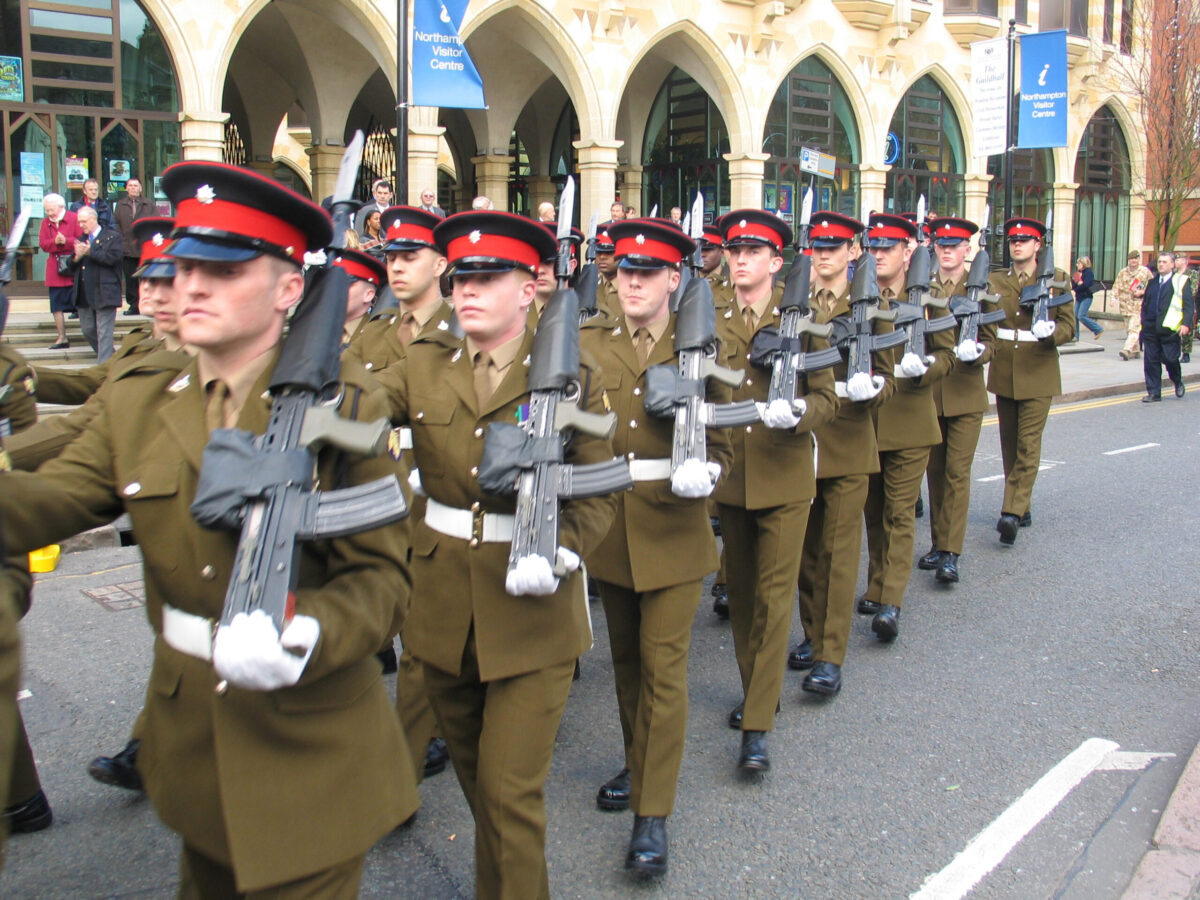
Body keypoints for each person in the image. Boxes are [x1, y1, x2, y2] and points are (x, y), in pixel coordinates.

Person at [0, 161, 419, 896]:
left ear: (290, 287)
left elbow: (384, 581)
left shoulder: (347, 407)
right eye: (183, 264)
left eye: (222, 271)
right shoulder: (142, 401)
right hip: (191, 746)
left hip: (310, 745)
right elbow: (45, 502)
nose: (190, 285)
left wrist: (307, 628)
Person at [372, 210, 617, 899]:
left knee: (510, 795)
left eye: (488, 276)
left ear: (528, 287)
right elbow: (359, 405)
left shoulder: (572, 372)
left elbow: (597, 490)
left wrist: (563, 551)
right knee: (485, 791)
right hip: (443, 608)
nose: (468, 289)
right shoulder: (425, 360)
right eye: (460, 277)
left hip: (532, 609)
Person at [580, 218, 730, 875]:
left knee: (664, 670)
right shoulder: (588, 341)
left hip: (674, 526)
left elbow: (723, 438)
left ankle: (653, 813)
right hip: (611, 524)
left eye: (647, 272)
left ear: (675, 277)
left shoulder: (699, 344)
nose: (631, 282)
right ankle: (639, 762)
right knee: (627, 666)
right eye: (623, 271)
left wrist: (707, 472)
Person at [714, 209, 837, 770]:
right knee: (741, 597)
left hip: (785, 474)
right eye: (734, 251)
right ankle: (756, 688)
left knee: (773, 597)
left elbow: (829, 398)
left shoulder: (803, 317)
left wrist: (801, 412)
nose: (740, 260)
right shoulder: (708, 314)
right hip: (730, 476)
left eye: (752, 252)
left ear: (774, 261)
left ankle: (758, 722)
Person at [343, 205, 453, 784]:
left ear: (441, 262)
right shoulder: (376, 330)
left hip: (439, 494)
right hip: (380, 494)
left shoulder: (463, 328)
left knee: (423, 640)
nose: (398, 267)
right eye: (391, 257)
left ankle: (406, 761)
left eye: (411, 257)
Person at [791, 211, 894, 696]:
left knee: (838, 552)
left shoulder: (870, 303)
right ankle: (813, 633)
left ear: (854, 251)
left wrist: (872, 386)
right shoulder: (793, 302)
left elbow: (893, 374)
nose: (825, 253)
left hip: (850, 441)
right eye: (818, 244)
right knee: (806, 552)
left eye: (835, 246)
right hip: (803, 440)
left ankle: (831, 654)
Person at [856, 213, 953, 642]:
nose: (878, 255)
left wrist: (924, 368)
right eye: (873, 247)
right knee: (873, 513)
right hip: (867, 422)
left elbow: (950, 355)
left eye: (887, 248)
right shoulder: (857, 295)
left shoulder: (929, 299)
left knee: (899, 513)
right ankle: (877, 584)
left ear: (907, 251)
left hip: (911, 422)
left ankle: (891, 599)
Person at [987, 217, 1074, 544]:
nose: (1017, 244)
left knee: (1028, 444)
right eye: (1013, 240)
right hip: (1005, 369)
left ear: (1038, 244)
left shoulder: (1056, 279)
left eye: (1025, 240)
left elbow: (1069, 326)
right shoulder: (996, 279)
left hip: (1039, 370)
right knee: (1009, 445)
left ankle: (1010, 511)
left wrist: (1051, 333)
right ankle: (1022, 503)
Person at [920, 216, 996, 584]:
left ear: (968, 250)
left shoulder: (980, 286)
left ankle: (951, 551)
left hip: (966, 394)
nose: (948, 251)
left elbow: (993, 341)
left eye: (955, 246)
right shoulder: (922, 286)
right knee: (934, 474)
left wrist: (978, 351)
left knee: (956, 473)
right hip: (931, 395)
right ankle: (937, 543)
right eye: (942, 245)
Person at [71, 206, 124, 363]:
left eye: (83, 221)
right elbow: (69, 267)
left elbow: (113, 258)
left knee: (104, 332)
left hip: (105, 291)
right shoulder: (81, 239)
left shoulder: (112, 237)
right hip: (85, 293)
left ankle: (104, 366)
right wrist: (76, 256)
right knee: (88, 330)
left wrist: (90, 252)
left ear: (93, 219)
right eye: (79, 222)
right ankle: (112, 359)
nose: (81, 225)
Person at [1140, 250, 1194, 402]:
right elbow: (1146, 303)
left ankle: (1177, 381)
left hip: (1169, 329)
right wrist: (1143, 321)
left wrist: (1185, 324)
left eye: (1164, 262)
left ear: (1172, 265)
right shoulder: (1152, 283)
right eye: (1159, 262)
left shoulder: (1181, 281)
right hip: (1150, 328)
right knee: (1151, 361)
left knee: (1170, 359)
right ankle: (1154, 393)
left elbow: (1189, 306)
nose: (1161, 264)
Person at [38, 193, 81, 349]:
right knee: (56, 305)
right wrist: (55, 242)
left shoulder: (74, 218)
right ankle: (62, 337)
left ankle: (90, 332)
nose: (49, 213)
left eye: (52, 210)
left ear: (61, 207)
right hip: (55, 267)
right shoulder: (45, 223)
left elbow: (82, 239)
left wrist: (67, 241)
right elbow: (43, 244)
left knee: (80, 301)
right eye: (47, 210)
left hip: (73, 264)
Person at [114, 178, 154, 315]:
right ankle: (133, 305)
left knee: (145, 278)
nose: (133, 188)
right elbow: (116, 224)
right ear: (126, 189)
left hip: (145, 249)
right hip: (127, 249)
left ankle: (147, 304)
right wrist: (121, 241)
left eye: (136, 185)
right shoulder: (121, 205)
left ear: (140, 188)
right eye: (130, 186)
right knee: (130, 279)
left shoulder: (149, 205)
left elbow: (155, 224)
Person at [1114, 251, 1151, 360]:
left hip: (1138, 305)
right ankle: (1135, 351)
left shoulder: (1145, 272)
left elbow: (1153, 286)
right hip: (1125, 305)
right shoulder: (1123, 272)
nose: (1133, 261)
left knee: (1133, 329)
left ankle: (1127, 349)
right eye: (1131, 259)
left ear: (1139, 259)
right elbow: (1117, 285)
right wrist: (1113, 297)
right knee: (1128, 329)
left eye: (1135, 258)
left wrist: (1143, 292)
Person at [1072, 256, 1103, 340]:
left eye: (1079, 263)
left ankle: (1098, 329)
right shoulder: (1077, 273)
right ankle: (1075, 335)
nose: (1077, 265)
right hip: (1078, 297)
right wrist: (1079, 284)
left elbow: (1086, 285)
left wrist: (1080, 285)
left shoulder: (1088, 273)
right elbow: (1073, 286)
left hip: (1086, 297)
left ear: (1084, 264)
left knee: (1081, 315)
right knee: (1074, 316)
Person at [1176, 254, 1197, 362]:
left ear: (1184, 261)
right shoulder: (1174, 274)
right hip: (1174, 305)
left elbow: (1193, 289)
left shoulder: (1192, 274)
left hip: (1187, 304)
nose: (1176, 261)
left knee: (1188, 329)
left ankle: (1186, 353)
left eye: (1178, 259)